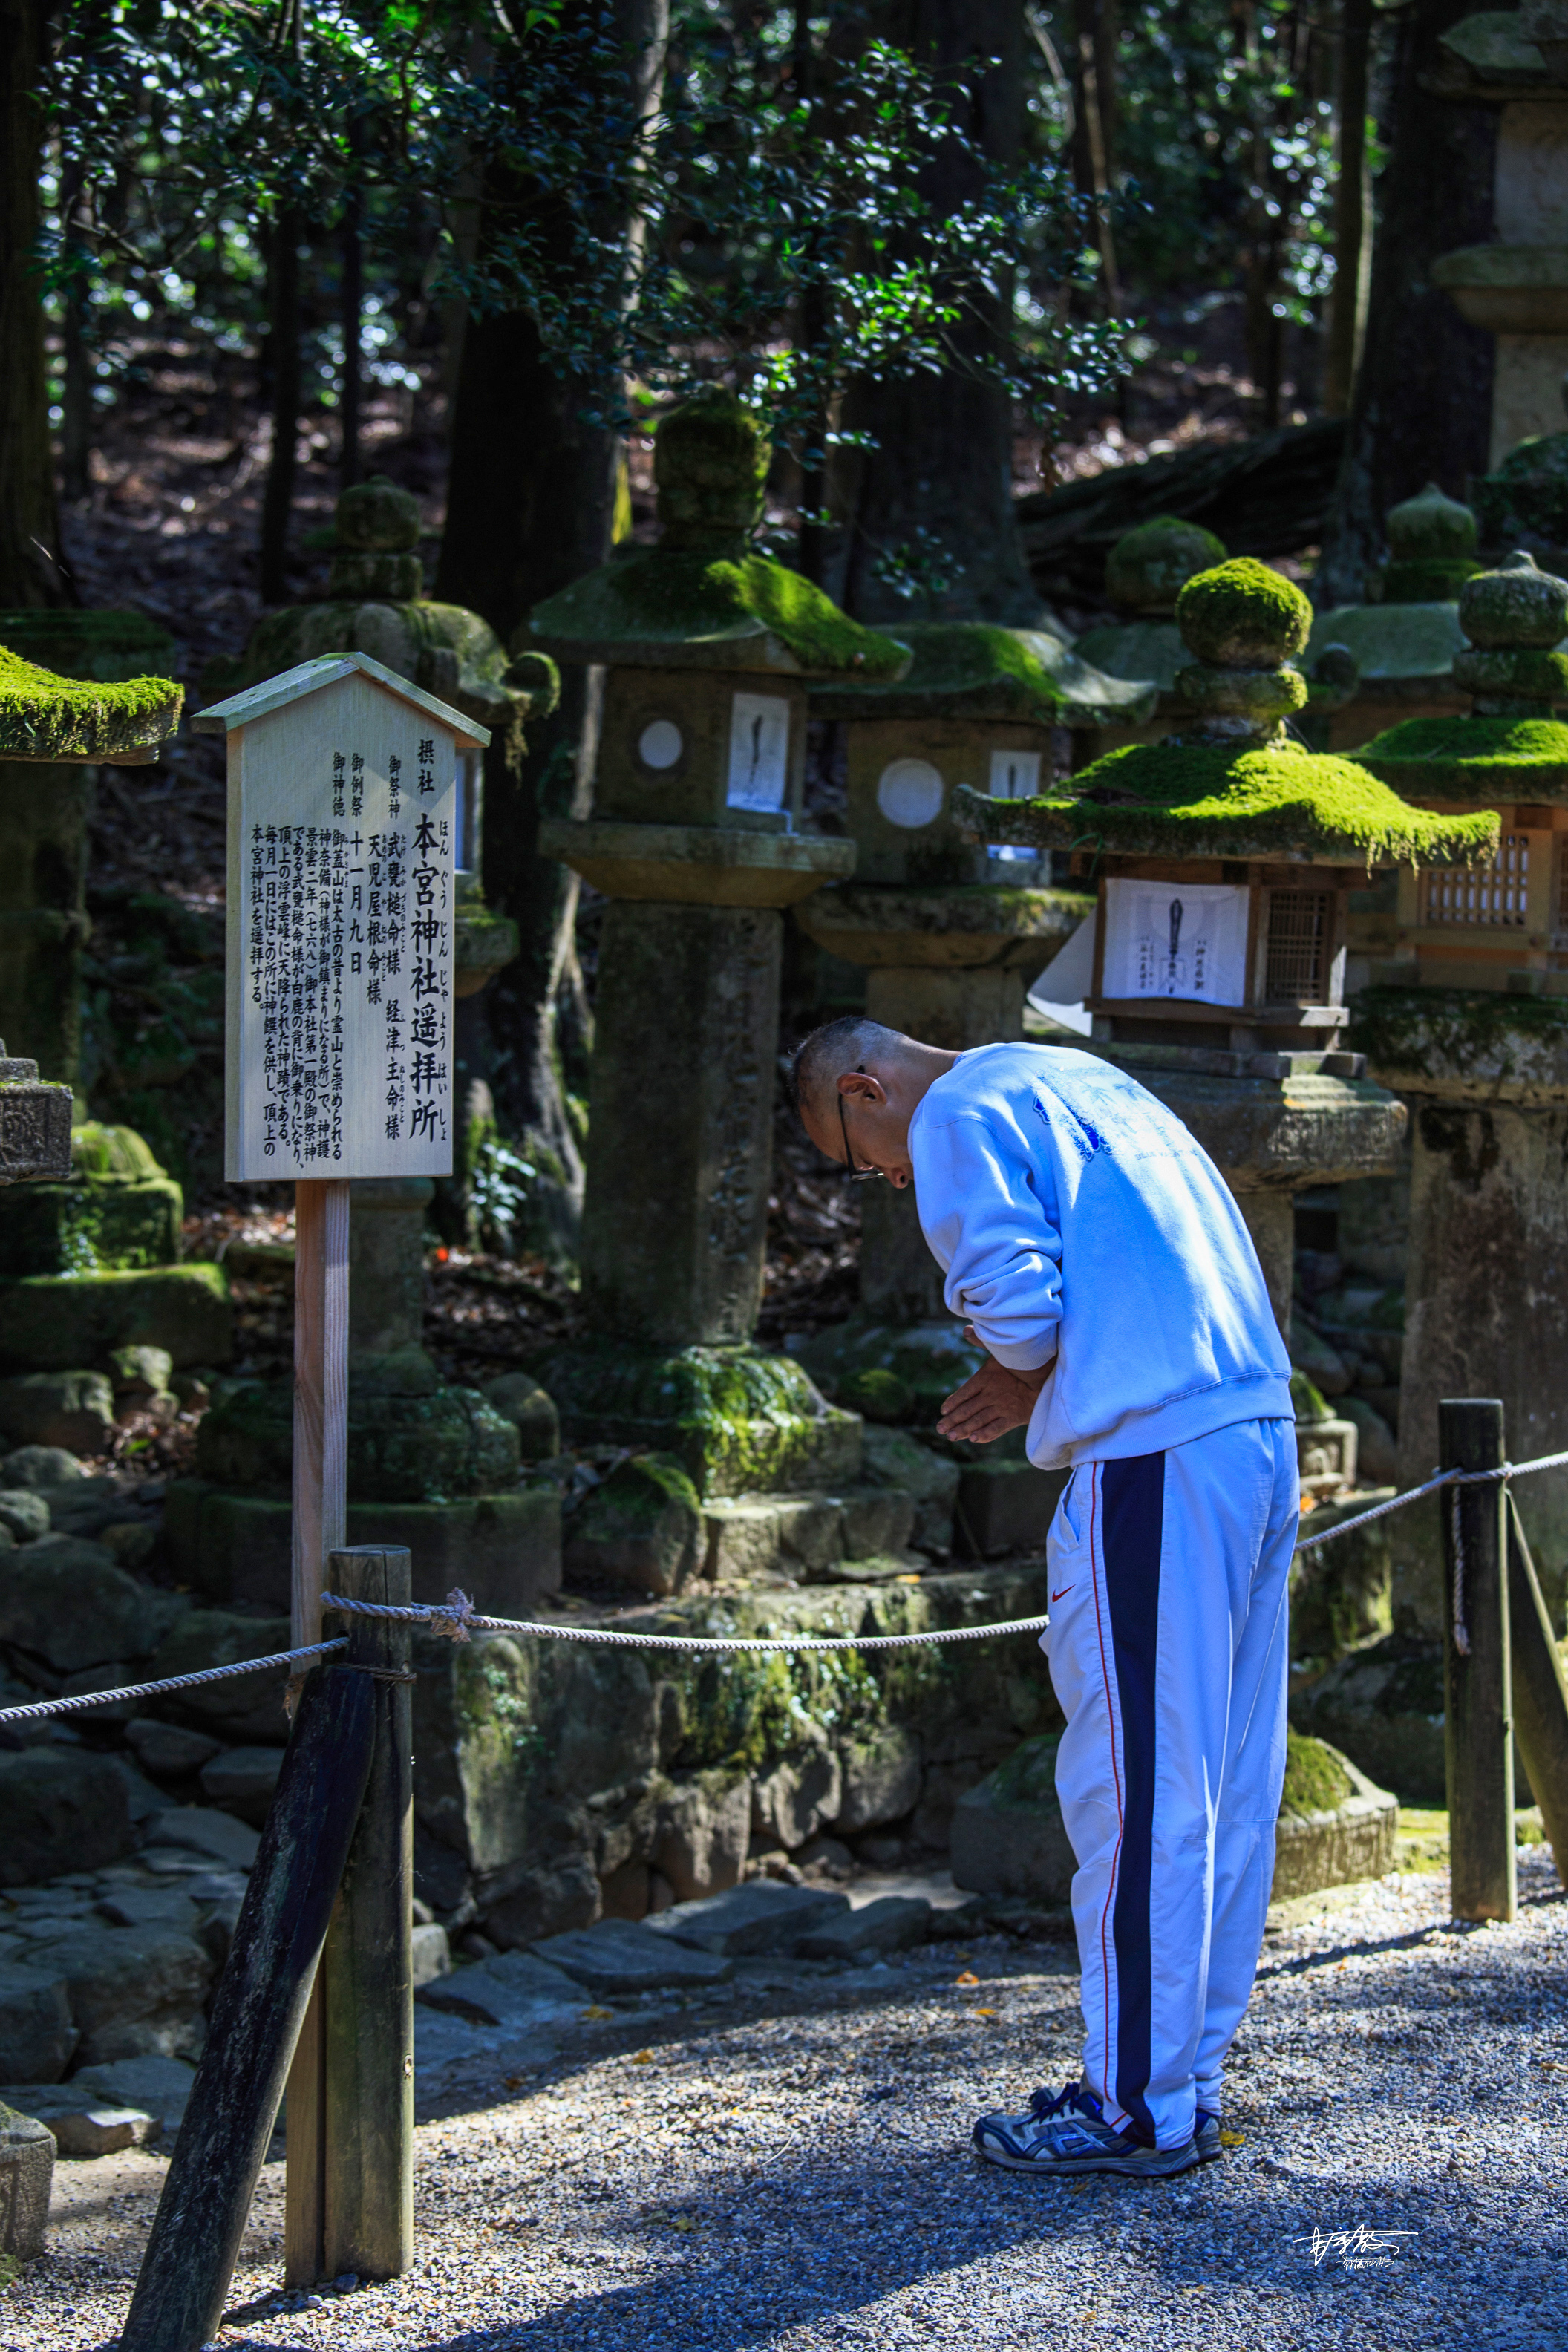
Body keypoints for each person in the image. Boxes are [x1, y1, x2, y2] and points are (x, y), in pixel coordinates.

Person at [789, 1017, 1297, 2180]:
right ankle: (1180, 2075)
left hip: (1155, 1454)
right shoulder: (1076, 1073)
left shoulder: (959, 1112)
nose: (891, 1175)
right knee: (1221, 1777)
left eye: (867, 1157)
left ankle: (1132, 2105)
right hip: (1254, 1427)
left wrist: (1015, 1370)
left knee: (1135, 1786)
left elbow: (1020, 1308)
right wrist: (1038, 1376)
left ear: (870, 1089)